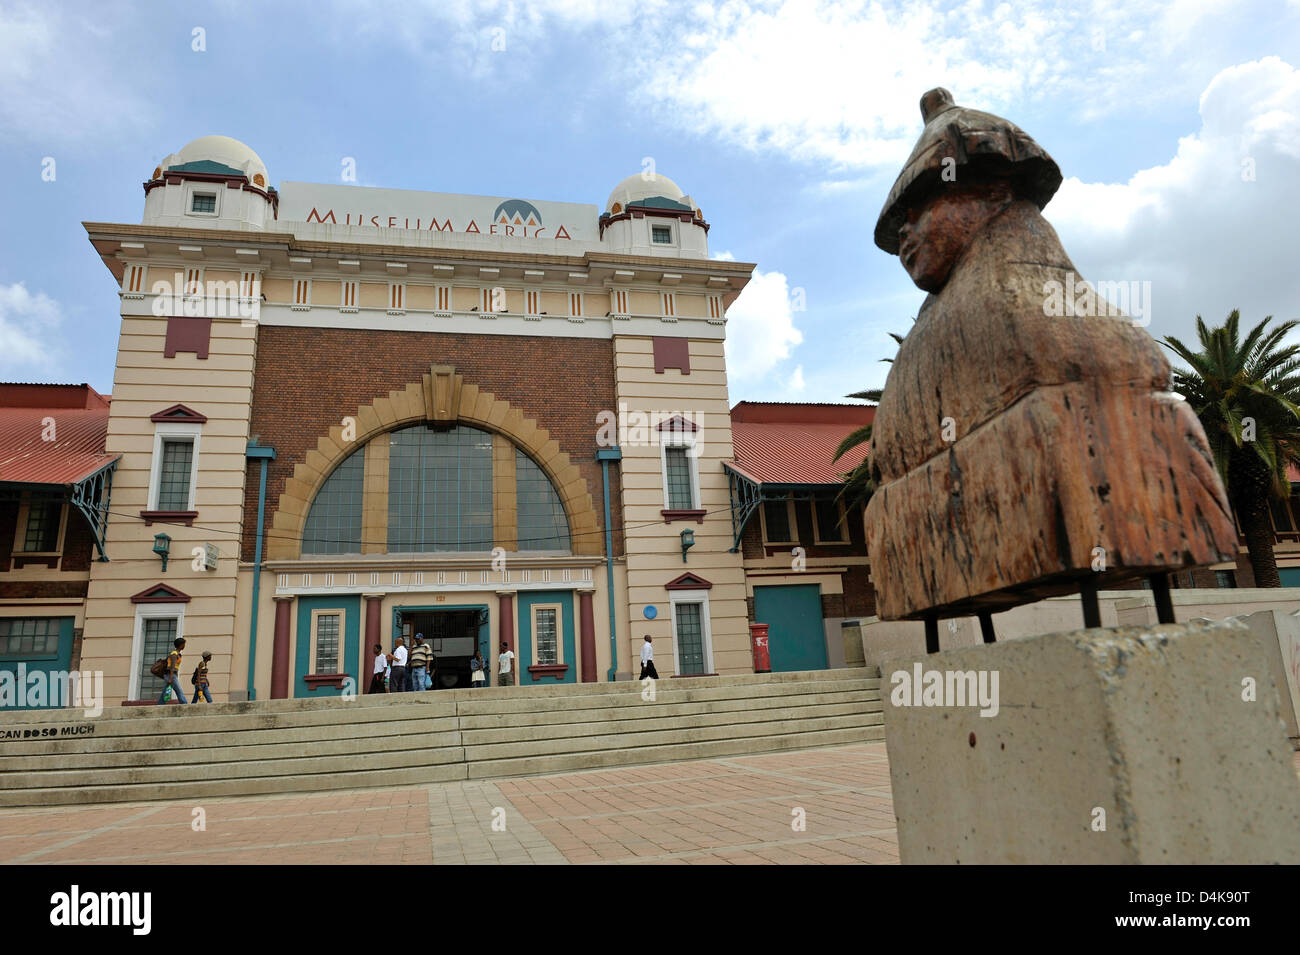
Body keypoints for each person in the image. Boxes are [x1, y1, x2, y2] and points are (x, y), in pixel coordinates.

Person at [157, 637, 188, 704]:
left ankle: (160, 704)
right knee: (179, 691)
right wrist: (171, 678)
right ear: (180, 645)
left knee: (166, 691)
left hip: (172, 675)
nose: (184, 646)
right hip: (171, 675)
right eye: (183, 644)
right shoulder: (174, 654)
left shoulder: (177, 654)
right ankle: (185, 704)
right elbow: (172, 666)